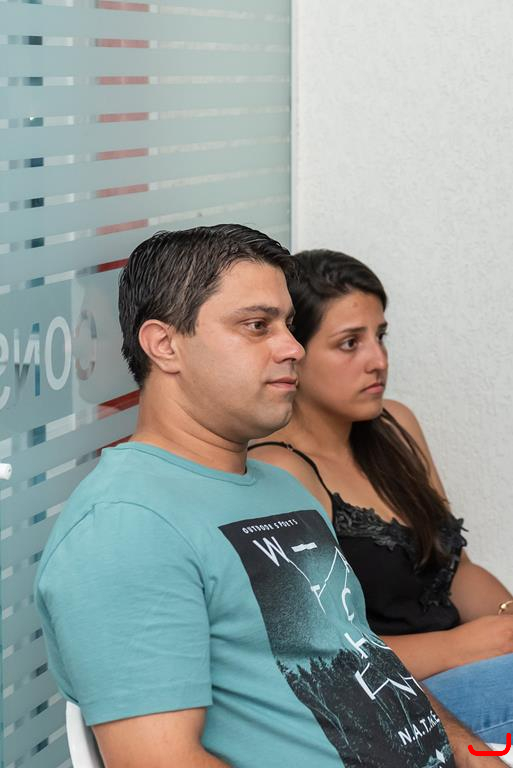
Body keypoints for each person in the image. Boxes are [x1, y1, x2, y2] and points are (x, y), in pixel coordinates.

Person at [35, 226, 499, 768]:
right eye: (257, 326)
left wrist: (473, 753)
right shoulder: (123, 528)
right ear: (164, 345)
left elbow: (367, 662)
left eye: (288, 326)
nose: (293, 348)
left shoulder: (280, 489)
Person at [249, 248, 513, 746]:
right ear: (294, 352)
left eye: (380, 336)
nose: (378, 360)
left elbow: (455, 570)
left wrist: (507, 620)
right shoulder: (280, 470)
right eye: (350, 343)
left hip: (464, 667)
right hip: (386, 703)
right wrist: (463, 646)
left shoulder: (395, 425)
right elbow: (327, 659)